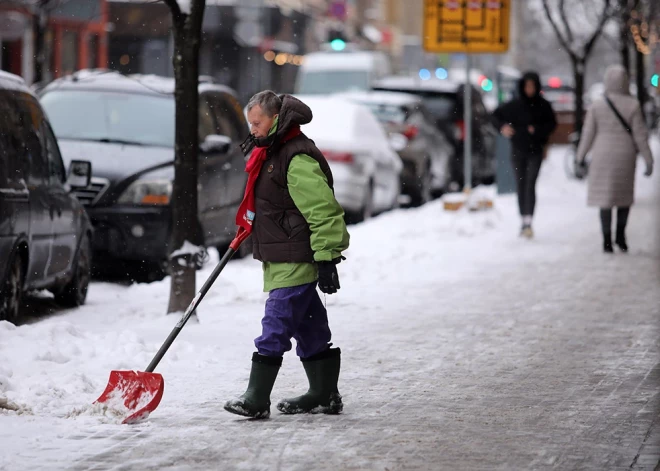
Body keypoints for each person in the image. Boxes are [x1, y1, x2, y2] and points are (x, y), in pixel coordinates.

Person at [224, 91, 350, 419]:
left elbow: (323, 209)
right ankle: (323, 393)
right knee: (310, 326)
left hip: (296, 256)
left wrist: (326, 256)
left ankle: (256, 397)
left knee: (276, 323)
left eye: (257, 122)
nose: (252, 129)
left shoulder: (295, 157)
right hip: (285, 253)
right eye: (249, 123)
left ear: (276, 118)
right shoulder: (273, 151)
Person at [576, 65, 654, 253]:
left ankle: (606, 240)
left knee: (605, 199)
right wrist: (648, 159)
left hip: (602, 154)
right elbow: (640, 135)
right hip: (625, 155)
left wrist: (580, 157)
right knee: (623, 197)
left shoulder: (597, 105)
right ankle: (620, 235)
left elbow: (588, 134)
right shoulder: (632, 105)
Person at [493, 71, 557, 238]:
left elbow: (552, 124)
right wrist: (503, 127)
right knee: (521, 185)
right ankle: (524, 219)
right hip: (518, 149)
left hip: (535, 150)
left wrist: (537, 131)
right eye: (527, 86)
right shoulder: (515, 105)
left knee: (530, 184)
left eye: (532, 86)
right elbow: (495, 116)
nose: (529, 89)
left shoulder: (543, 106)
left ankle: (528, 220)